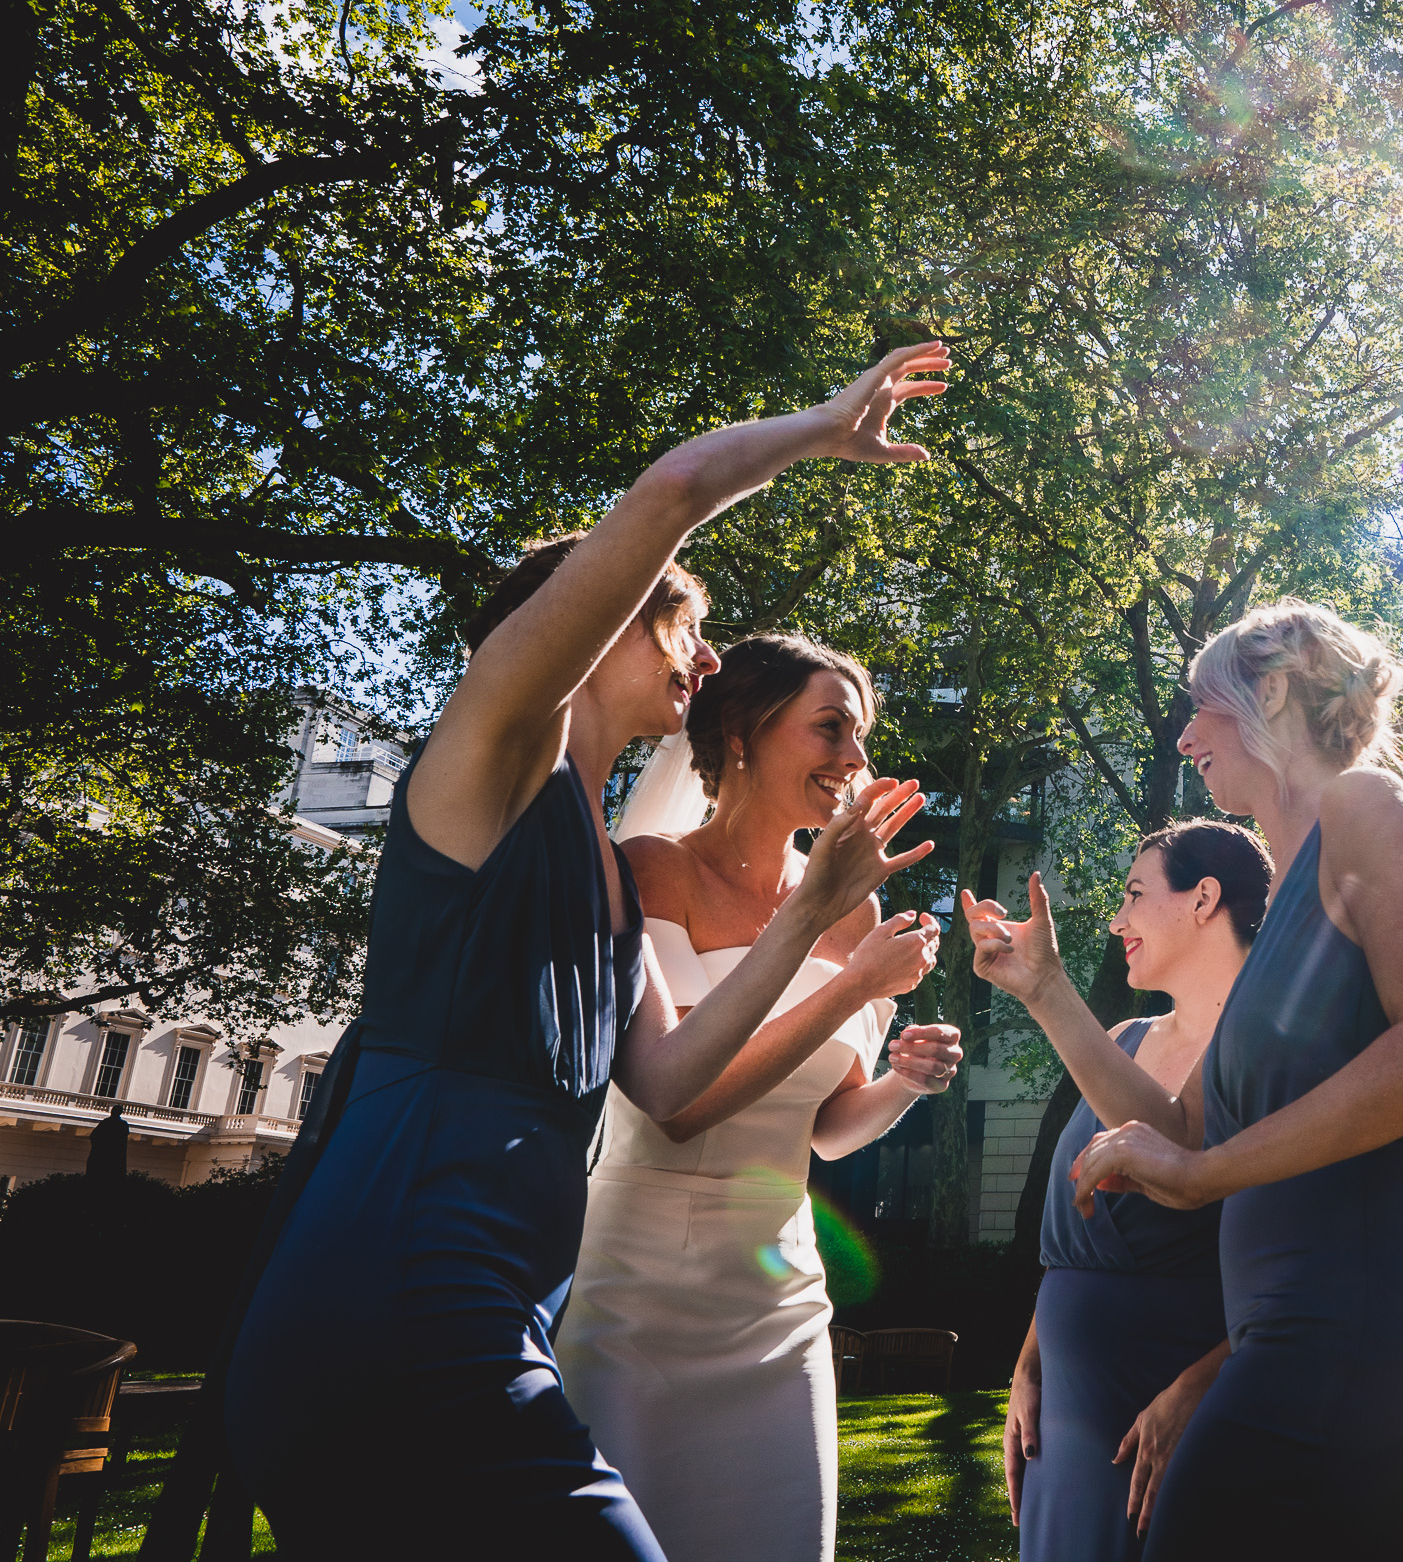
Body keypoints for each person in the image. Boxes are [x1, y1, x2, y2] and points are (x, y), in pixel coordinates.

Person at [220, 341, 953, 1560]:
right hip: (404, 1266)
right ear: (600, 620)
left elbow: (669, 1085)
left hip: (500, 1297)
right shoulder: (498, 760)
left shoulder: (604, 868)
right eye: (686, 621)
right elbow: (666, 495)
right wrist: (824, 427)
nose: (705, 658)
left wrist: (814, 912)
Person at [1058, 600, 1403, 1562]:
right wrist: (1044, 990)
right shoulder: (1284, 892)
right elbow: (1186, 1128)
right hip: (1292, 1320)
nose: (1185, 734)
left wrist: (1206, 1176)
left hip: (1370, 1306)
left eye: (1202, 706)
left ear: (1273, 690)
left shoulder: (1362, 808)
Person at [555, 633, 963, 1562]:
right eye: (831, 729)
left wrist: (904, 1079)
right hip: (636, 1296)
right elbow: (678, 1099)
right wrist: (852, 986)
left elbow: (827, 1132)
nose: (855, 761)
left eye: (858, 738)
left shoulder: (853, 911)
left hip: (779, 1305)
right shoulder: (650, 870)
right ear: (743, 731)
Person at [962, 821, 1273, 1561]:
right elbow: (1075, 1235)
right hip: (1063, 1427)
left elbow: (1313, 1253)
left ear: (1204, 899)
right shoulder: (1126, 1036)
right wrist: (1031, 1360)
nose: (1116, 918)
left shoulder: (1267, 1048)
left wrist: (1203, 1381)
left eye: (1135, 893)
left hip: (1172, 1419)